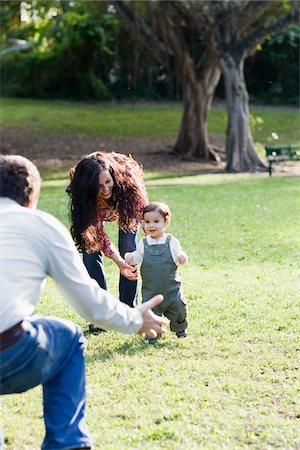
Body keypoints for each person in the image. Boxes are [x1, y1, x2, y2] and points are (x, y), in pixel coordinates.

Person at [0, 155, 167, 450]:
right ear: (31, 198)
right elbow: (88, 302)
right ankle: (66, 444)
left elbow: (139, 225)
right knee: (67, 338)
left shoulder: (128, 188)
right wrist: (135, 319)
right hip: (10, 353)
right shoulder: (39, 225)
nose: (104, 188)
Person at [66, 151, 148, 332]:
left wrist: (158, 247)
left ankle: (128, 309)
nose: (105, 190)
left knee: (128, 247)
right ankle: (101, 314)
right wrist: (117, 262)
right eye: (98, 186)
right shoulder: (84, 194)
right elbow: (98, 236)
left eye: (107, 182)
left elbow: (146, 220)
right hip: (96, 209)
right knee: (90, 248)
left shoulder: (129, 182)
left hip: (123, 205)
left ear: (113, 177)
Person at [125, 202, 188, 344]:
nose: (151, 225)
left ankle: (180, 328)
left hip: (171, 289)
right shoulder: (143, 243)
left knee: (178, 308)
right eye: (147, 222)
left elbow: (179, 255)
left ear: (166, 222)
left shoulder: (172, 242)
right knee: (151, 312)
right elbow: (137, 256)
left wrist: (182, 257)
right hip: (151, 291)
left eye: (156, 221)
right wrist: (130, 257)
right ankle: (152, 334)